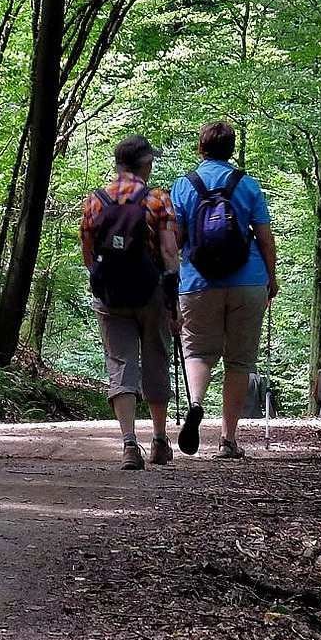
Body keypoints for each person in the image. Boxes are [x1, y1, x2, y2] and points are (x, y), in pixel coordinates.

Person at [170, 120, 277, 459]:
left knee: (198, 352)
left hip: (198, 282)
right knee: (240, 361)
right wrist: (271, 278)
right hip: (248, 280)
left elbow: (176, 240)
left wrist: (170, 279)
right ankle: (228, 440)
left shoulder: (184, 186)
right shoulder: (247, 185)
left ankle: (196, 403)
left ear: (200, 149)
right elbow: (265, 238)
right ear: (231, 150)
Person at [79, 134, 181, 470]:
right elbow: (169, 252)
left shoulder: (95, 201)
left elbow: (88, 254)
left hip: (110, 295)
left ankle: (128, 444)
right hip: (151, 292)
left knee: (120, 363)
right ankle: (160, 440)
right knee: (156, 358)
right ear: (145, 164)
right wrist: (173, 300)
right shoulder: (156, 199)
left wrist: (105, 279)